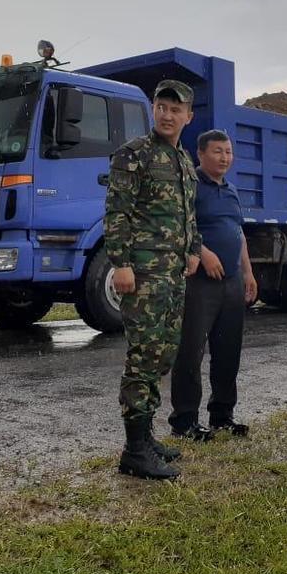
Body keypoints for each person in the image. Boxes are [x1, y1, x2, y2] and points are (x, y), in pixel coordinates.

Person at [105, 79, 201, 480]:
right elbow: (117, 211)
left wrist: (193, 250)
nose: (167, 114)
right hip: (143, 273)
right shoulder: (134, 155)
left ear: (188, 117)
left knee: (164, 354)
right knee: (143, 356)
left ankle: (146, 436)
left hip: (173, 275)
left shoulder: (184, 162)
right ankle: (135, 450)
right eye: (161, 107)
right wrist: (120, 263)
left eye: (175, 109)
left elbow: (188, 215)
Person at [169, 130, 258, 440]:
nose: (225, 158)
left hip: (232, 282)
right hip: (200, 283)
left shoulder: (231, 190)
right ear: (201, 154)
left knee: (228, 351)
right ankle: (184, 421)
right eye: (218, 151)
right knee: (190, 352)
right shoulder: (190, 185)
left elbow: (238, 232)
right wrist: (203, 253)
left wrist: (247, 272)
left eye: (229, 152)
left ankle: (222, 415)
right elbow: (179, 226)